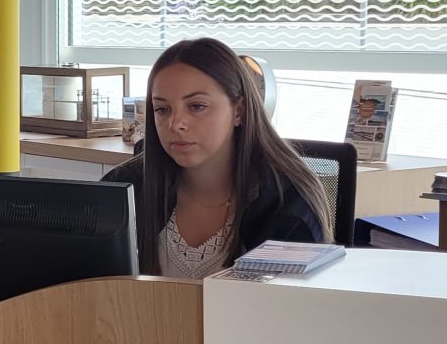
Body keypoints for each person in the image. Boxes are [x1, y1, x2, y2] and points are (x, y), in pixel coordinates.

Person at [104, 38, 329, 280]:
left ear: (239, 112)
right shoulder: (123, 188)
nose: (175, 123)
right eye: (162, 109)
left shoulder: (287, 206)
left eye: (197, 106)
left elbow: (289, 311)